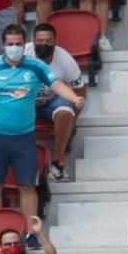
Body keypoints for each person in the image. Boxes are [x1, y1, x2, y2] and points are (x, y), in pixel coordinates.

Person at [0, 24, 84, 229]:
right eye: (10, 44)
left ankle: (31, 234)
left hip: (23, 137)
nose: (14, 47)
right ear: (3, 45)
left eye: (18, 44)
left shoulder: (36, 66)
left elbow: (57, 85)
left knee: (27, 186)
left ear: (24, 44)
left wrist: (74, 98)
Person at [24, 23, 85, 182]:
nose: (43, 44)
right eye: (40, 40)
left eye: (48, 41)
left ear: (55, 42)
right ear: (33, 41)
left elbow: (79, 91)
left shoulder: (65, 60)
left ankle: (57, 163)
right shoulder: (22, 54)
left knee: (66, 111)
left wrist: (72, 121)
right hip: (25, 102)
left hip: (52, 100)